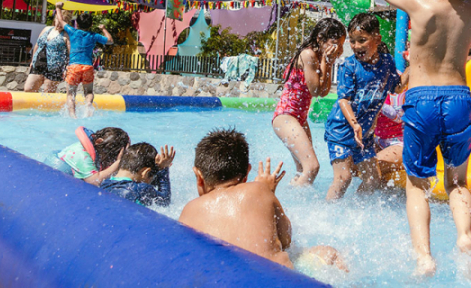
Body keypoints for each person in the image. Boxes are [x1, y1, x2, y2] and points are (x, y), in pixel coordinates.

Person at [345, 0, 471, 276]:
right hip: (459, 99)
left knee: (417, 184)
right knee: (458, 182)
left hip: (422, 100)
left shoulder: (419, 5)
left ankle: (424, 258)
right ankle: (464, 237)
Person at [179, 128, 347, 275]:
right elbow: (286, 240)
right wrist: (268, 192)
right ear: (247, 172)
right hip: (277, 281)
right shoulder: (259, 191)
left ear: (198, 176)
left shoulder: (189, 211)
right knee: (329, 253)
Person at [324, 13, 402, 201]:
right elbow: (344, 100)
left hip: (364, 134)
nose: (356, 46)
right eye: (352, 41)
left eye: (362, 40)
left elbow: (397, 88)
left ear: (377, 39)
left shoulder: (387, 63)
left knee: (372, 179)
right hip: (341, 130)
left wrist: (414, 66)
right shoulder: (349, 65)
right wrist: (355, 124)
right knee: (343, 178)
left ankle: (353, 210)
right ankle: (327, 212)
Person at [271, 18, 346, 187]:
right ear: (320, 39)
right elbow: (315, 90)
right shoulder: (308, 54)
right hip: (286, 116)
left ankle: (291, 197)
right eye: (335, 44)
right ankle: (294, 203)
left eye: (341, 45)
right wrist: (326, 62)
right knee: (311, 167)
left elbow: (323, 92)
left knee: (302, 170)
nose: (339, 50)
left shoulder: (320, 57)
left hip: (299, 119)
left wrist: (328, 63)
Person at [56, 9, 113, 118]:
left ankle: (73, 116)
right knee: (89, 92)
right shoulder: (94, 35)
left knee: (71, 93)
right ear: (91, 24)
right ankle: (88, 106)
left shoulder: (72, 31)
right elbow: (110, 40)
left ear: (77, 23)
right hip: (88, 67)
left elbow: (61, 20)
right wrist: (103, 29)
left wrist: (58, 8)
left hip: (74, 67)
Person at [48, 126, 129, 186]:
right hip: (54, 179)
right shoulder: (81, 153)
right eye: (111, 154)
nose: (111, 160)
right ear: (99, 142)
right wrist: (118, 163)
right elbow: (94, 181)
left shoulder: (98, 151)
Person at [101, 143, 175, 206]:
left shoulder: (104, 184)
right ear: (145, 172)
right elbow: (165, 201)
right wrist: (163, 169)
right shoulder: (141, 189)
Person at [25, 3, 71, 93]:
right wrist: (32, 60)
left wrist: (67, 68)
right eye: (58, 20)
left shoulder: (67, 36)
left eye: (63, 22)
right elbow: (37, 45)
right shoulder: (46, 29)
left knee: (48, 93)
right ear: (55, 19)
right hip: (38, 62)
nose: (60, 24)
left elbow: (70, 53)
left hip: (55, 67)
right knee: (28, 88)